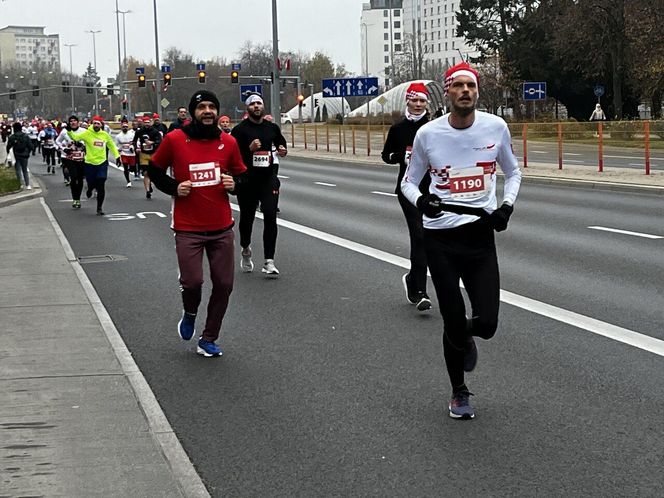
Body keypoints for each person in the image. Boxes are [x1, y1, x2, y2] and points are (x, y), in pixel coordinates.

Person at [401, 62, 522, 420]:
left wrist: (506, 206)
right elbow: (408, 182)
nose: (465, 91)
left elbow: (514, 172)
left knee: (487, 325)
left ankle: (468, 335)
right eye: (458, 86)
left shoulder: (495, 128)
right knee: (452, 318)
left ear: (477, 92)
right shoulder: (428, 135)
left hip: (480, 236)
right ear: (448, 91)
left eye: (471, 85)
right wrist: (422, 200)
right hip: (440, 238)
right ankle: (459, 391)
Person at [148, 90, 247, 357]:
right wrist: (174, 187)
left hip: (221, 228)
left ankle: (209, 338)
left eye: (212, 107)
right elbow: (154, 170)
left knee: (224, 284)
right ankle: (190, 312)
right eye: (202, 106)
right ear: (193, 111)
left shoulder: (228, 142)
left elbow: (242, 176)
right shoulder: (175, 139)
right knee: (193, 282)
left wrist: (235, 185)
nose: (207, 111)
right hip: (188, 228)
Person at [382, 82, 432, 312]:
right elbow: (386, 156)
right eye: (415, 100)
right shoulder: (398, 129)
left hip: (433, 189)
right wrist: (400, 156)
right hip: (408, 190)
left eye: (422, 101)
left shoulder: (434, 127)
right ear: (408, 102)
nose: (419, 105)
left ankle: (413, 278)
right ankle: (420, 291)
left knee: (435, 240)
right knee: (419, 237)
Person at [231, 94, 287, 276]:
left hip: (268, 178)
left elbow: (280, 141)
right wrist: (249, 150)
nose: (256, 106)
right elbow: (233, 156)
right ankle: (245, 248)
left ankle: (269, 261)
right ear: (247, 108)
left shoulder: (271, 127)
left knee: (270, 215)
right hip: (247, 180)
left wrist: (282, 149)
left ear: (263, 107)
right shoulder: (239, 130)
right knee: (247, 219)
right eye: (253, 104)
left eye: (259, 103)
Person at [67, 115, 120, 215]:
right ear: (92, 124)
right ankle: (90, 188)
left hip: (102, 163)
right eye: (95, 123)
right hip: (90, 163)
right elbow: (75, 137)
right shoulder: (87, 133)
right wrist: (69, 130)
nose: (96, 125)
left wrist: (117, 156)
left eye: (98, 123)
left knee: (101, 182)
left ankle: (99, 207)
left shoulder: (105, 135)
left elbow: (112, 146)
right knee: (91, 182)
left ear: (101, 125)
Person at [57, 116, 86, 208]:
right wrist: (64, 149)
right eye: (71, 121)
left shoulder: (84, 131)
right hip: (70, 157)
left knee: (80, 178)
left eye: (74, 121)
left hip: (81, 157)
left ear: (78, 122)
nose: (73, 123)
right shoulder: (65, 131)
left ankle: (78, 198)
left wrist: (83, 145)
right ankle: (75, 199)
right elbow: (57, 141)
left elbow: (90, 141)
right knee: (73, 178)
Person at [133, 115, 162, 199]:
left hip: (154, 154)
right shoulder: (139, 131)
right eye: (145, 123)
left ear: (151, 122)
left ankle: (150, 184)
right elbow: (134, 141)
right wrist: (136, 148)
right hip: (144, 154)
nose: (146, 124)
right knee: (146, 173)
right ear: (143, 123)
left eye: (148, 122)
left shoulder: (155, 131)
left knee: (153, 172)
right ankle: (148, 191)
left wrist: (152, 143)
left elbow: (160, 141)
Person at [6, 122, 33, 189]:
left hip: (16, 155)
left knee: (18, 170)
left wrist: (8, 153)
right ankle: (28, 184)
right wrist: (28, 152)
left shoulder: (12, 137)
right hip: (25, 155)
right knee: (25, 169)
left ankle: (20, 184)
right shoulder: (25, 136)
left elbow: (8, 146)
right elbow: (31, 146)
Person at [114, 118, 136, 187]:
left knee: (132, 168)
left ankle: (130, 170)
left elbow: (136, 142)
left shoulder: (132, 134)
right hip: (124, 153)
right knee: (125, 166)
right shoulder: (118, 136)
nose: (125, 128)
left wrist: (132, 146)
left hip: (132, 153)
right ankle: (128, 181)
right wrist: (118, 149)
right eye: (123, 127)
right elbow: (115, 145)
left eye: (126, 127)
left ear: (128, 127)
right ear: (121, 127)